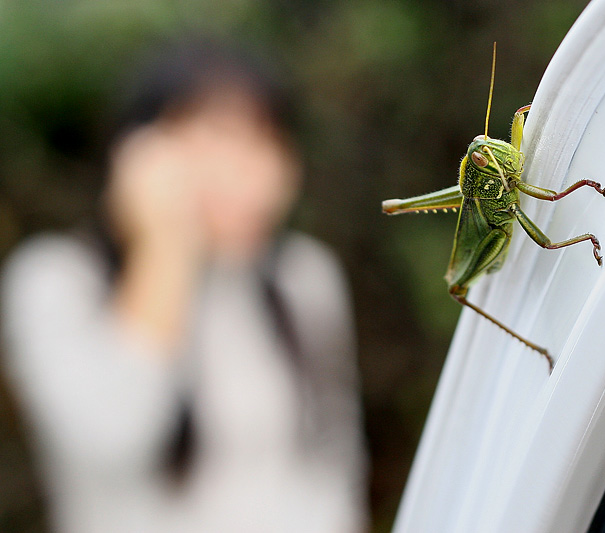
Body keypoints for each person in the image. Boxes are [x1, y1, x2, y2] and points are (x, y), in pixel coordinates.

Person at [1, 41, 367, 532]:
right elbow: (114, 434)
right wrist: (165, 244)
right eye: (219, 140)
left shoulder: (302, 276)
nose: (257, 175)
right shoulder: (55, 279)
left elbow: (334, 466)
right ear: (138, 155)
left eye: (267, 142)